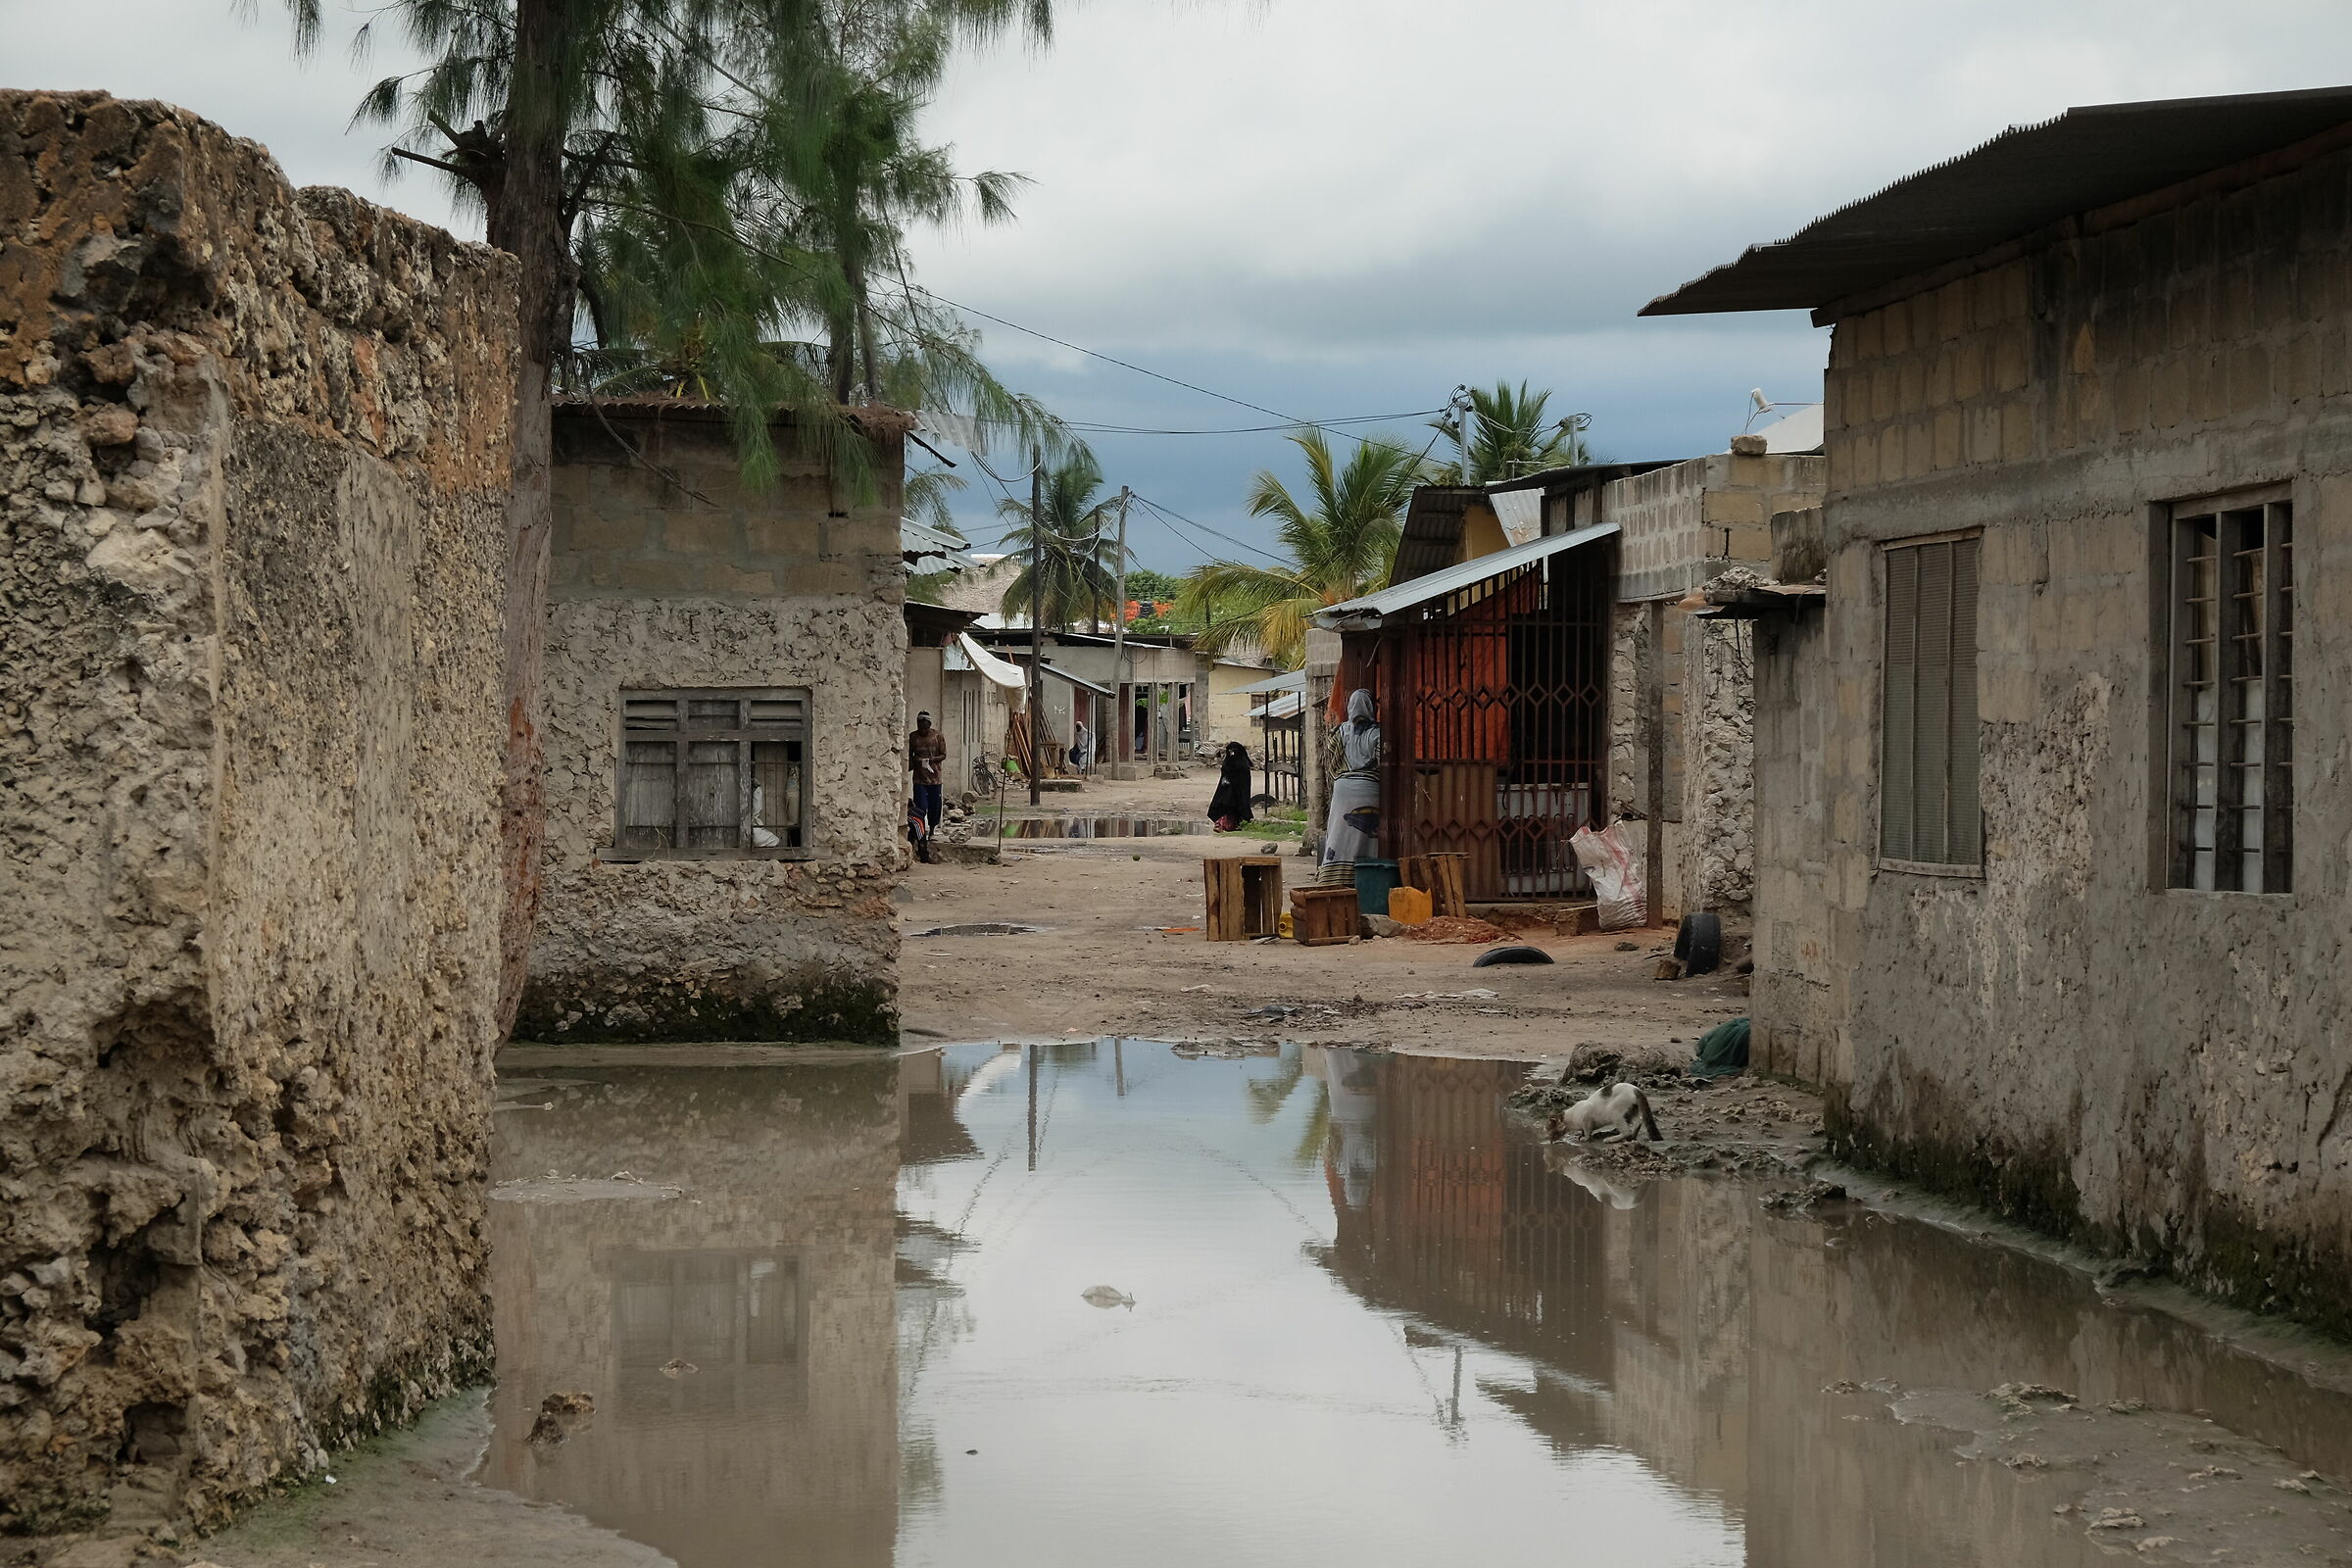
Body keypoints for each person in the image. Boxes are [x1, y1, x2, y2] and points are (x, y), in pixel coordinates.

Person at [1321, 689, 1381, 865]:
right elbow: (1382, 763)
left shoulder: (1339, 732)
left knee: (1339, 833)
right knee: (1368, 835)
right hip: (1369, 789)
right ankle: (1364, 870)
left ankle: (1334, 871)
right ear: (1371, 707)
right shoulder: (1378, 732)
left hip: (1343, 790)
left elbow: (1331, 759)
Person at [907, 711, 947, 835]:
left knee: (934, 807)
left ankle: (932, 829)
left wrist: (932, 760)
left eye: (925, 727)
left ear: (929, 724)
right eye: (920, 726)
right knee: (920, 806)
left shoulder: (937, 736)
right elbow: (909, 755)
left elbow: (943, 755)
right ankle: (921, 831)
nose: (922, 730)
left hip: (935, 778)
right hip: (919, 779)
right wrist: (916, 762)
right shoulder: (913, 737)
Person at [1206, 741, 1254, 831]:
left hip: (1238, 790)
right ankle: (1221, 825)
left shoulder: (1243, 764)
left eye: (1233, 752)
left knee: (1237, 806)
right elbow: (1225, 771)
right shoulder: (1229, 762)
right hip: (1227, 788)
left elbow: (1243, 779)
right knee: (1224, 805)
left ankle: (1234, 825)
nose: (1232, 754)